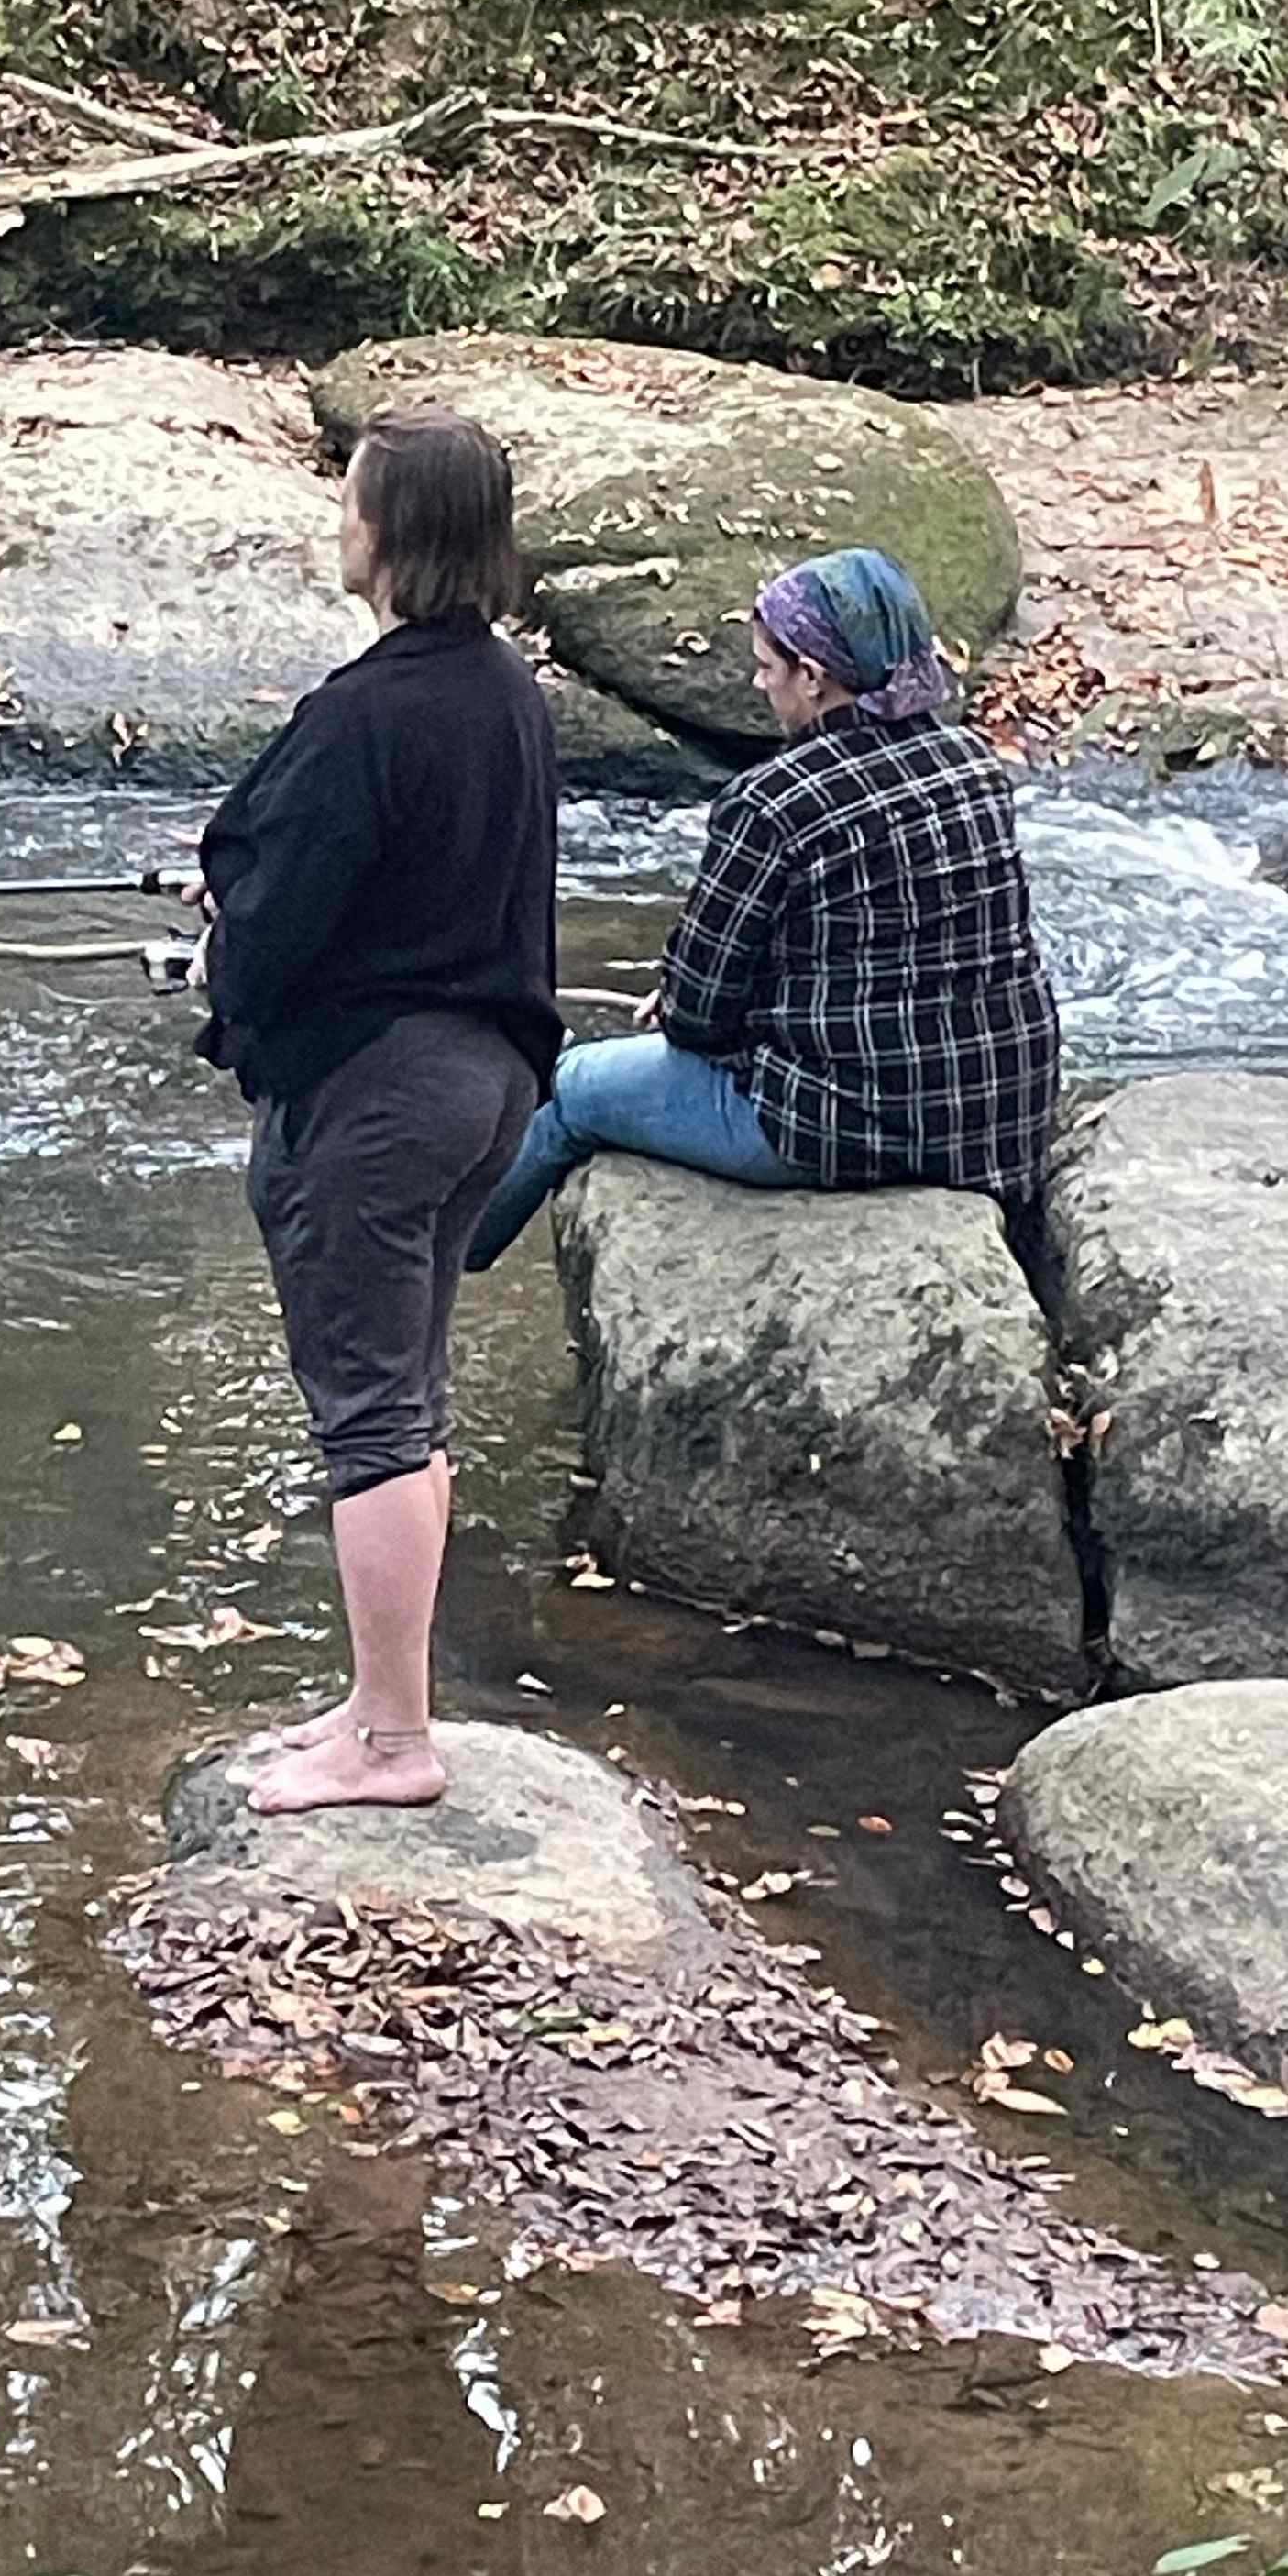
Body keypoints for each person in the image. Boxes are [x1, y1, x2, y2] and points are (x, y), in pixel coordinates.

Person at [190, 405, 561, 1819]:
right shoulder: (507, 695)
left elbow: (282, 929)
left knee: (370, 1421)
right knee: (410, 1404)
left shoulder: (363, 712)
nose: (337, 524)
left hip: (383, 1100)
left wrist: (230, 929)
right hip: (494, 1087)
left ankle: (395, 1744)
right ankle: (377, 1700)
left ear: (395, 533)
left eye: (352, 503)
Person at [465, 545, 1057, 1268]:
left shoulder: (773, 802)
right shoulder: (974, 768)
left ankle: (437, 1268)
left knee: (575, 1086)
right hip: (996, 1116)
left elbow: (698, 1018)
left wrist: (681, 1003)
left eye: (767, 666)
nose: (757, 681)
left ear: (812, 678)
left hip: (845, 1128)